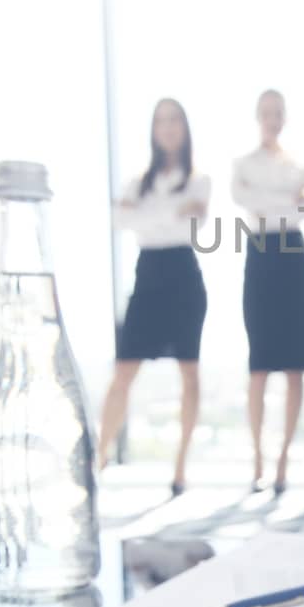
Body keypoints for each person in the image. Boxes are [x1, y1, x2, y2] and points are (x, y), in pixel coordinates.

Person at [99, 97, 210, 498]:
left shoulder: (199, 179)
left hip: (183, 277)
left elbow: (191, 222)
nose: (167, 128)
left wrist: (144, 212)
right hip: (147, 277)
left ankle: (180, 469)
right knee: (123, 372)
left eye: (174, 120)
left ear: (184, 128)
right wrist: (168, 211)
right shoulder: (136, 181)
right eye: (161, 121)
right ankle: (98, 457)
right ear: (153, 129)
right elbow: (120, 220)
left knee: (189, 375)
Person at [232, 89, 304, 496]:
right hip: (262, 257)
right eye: (265, 113)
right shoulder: (242, 165)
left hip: (294, 260)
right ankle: (257, 461)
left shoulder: (299, 165)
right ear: (257, 116)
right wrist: (287, 199)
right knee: (260, 365)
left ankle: (283, 461)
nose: (272, 119)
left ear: (284, 118)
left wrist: (277, 203)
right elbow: (244, 198)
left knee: (296, 366)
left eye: (277, 113)